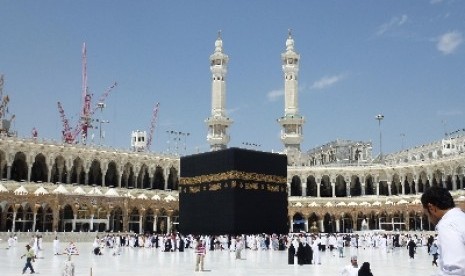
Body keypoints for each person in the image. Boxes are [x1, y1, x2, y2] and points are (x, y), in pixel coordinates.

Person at [421, 186, 465, 275]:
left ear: (431, 208)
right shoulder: (461, 217)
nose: (429, 220)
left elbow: (455, 270)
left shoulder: (447, 225)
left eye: (427, 215)